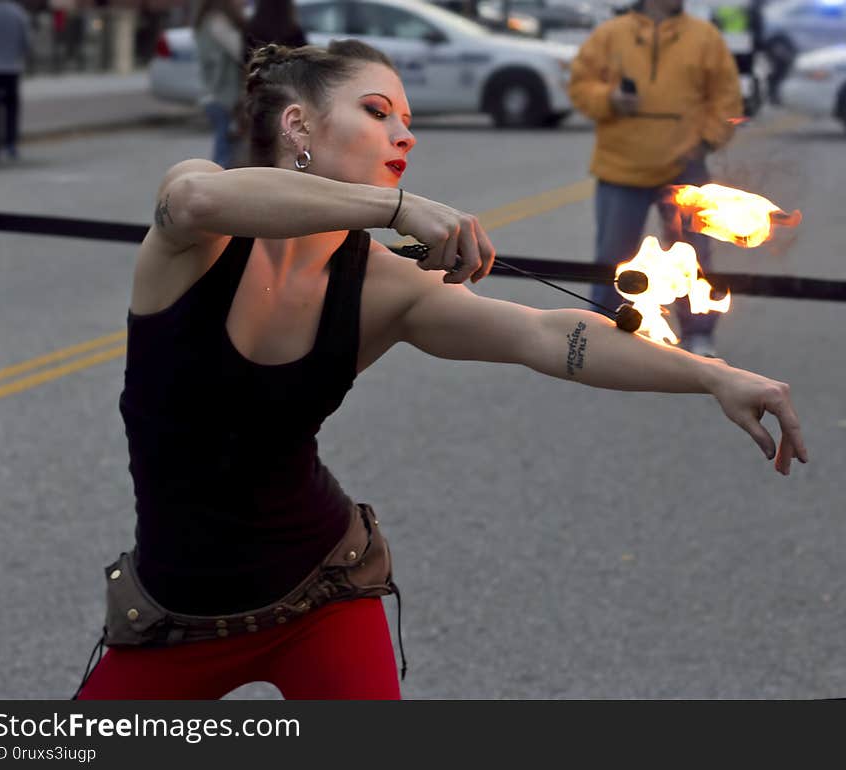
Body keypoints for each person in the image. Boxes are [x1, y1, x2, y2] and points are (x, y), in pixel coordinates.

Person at [72, 39, 806, 701]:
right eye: (377, 110)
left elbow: (549, 335)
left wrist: (712, 375)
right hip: (173, 618)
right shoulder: (202, 223)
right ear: (298, 125)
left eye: (407, 118)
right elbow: (194, 197)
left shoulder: (386, 286)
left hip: (319, 598)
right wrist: (396, 205)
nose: (405, 133)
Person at [568, 0, 743, 358]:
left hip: (685, 169)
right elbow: (580, 87)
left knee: (696, 258)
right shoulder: (610, 35)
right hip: (621, 166)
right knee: (612, 258)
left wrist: (706, 142)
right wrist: (611, 98)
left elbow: (726, 99)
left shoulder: (704, 37)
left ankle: (698, 335)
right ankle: (600, 333)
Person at [193, 0, 247, 169]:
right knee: (225, 150)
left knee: (226, 144)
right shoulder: (218, 22)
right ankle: (217, 184)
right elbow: (241, 50)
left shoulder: (206, 20)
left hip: (212, 94)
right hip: (223, 95)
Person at [0, 0, 31, 163]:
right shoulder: (18, 13)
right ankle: (11, 143)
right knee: (11, 106)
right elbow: (27, 41)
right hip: (12, 67)